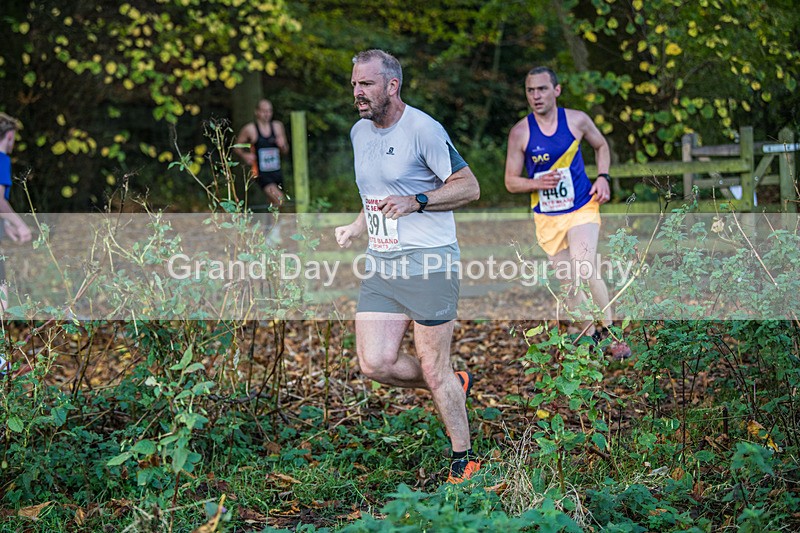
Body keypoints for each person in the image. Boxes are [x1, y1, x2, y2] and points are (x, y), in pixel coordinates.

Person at [334, 49, 482, 483]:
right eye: (355, 84)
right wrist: (358, 224)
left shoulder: (423, 129)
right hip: (382, 264)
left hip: (429, 262)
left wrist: (419, 201)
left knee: (432, 365)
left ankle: (464, 458)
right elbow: (376, 191)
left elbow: (469, 187)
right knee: (375, 363)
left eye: (367, 84)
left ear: (392, 86)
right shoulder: (359, 132)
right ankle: (454, 384)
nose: (357, 92)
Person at [503, 67, 631, 360]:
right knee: (568, 281)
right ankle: (589, 336)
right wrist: (536, 183)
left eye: (542, 89)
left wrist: (603, 177)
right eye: (530, 90)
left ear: (556, 90)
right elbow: (510, 181)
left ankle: (611, 333)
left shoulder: (576, 120)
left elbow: (601, 146)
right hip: (548, 216)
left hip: (582, 206)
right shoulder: (521, 132)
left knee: (583, 266)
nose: (536, 96)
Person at [0, 112, 33, 374]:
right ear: (9, 136)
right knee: (2, 295)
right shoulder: (1, 158)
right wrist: (20, 224)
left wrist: (7, 227)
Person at [235, 99, 290, 209]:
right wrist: (245, 155)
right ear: (257, 112)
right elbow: (236, 146)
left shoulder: (277, 127)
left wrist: (282, 145)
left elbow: (285, 150)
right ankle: (275, 225)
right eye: (264, 111)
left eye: (269, 111)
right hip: (261, 173)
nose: (267, 114)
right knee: (280, 199)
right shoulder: (250, 129)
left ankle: (272, 225)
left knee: (273, 203)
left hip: (276, 171)